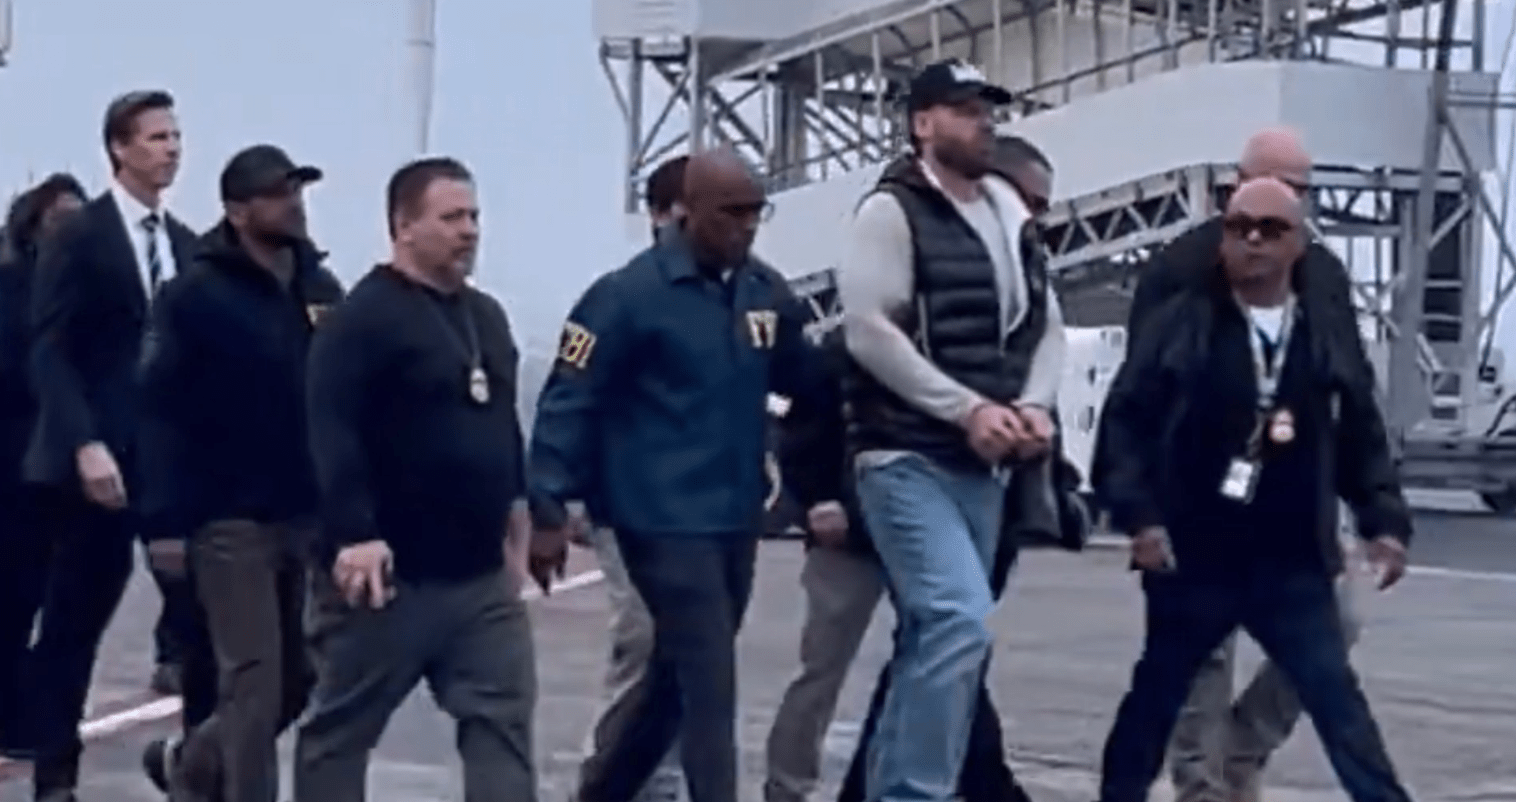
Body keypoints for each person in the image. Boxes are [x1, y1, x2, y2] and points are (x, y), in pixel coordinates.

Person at [1092, 177, 1414, 802]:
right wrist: (1140, 519)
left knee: (1337, 702)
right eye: (1239, 228)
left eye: (1272, 229)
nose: (1254, 241)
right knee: (1155, 699)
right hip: (1195, 554)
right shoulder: (1183, 322)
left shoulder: (1322, 328)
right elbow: (1126, 422)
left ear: (1299, 243)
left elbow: (1360, 432)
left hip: (1290, 560)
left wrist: (1384, 521)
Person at [530, 148, 818, 802]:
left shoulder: (763, 293)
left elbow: (806, 383)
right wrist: (548, 504)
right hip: (656, 518)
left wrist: (812, 466)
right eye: (733, 213)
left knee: (671, 683)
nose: (747, 226)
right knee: (711, 677)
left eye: (757, 212)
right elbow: (570, 398)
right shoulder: (627, 297)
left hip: (733, 516)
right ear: (690, 212)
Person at [837, 59, 1066, 802]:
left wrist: (1034, 405)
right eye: (965, 110)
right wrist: (964, 407)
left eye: (987, 109)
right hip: (904, 455)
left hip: (984, 468)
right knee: (957, 620)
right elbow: (869, 331)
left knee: (935, 638)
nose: (983, 123)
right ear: (922, 122)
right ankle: (915, 792)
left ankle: (892, 790)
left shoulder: (1009, 214)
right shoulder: (891, 212)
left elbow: (1046, 325)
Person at [293, 157, 536, 802]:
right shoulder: (360, 320)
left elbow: (501, 425)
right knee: (340, 733)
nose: (469, 231)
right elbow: (332, 433)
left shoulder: (486, 318)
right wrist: (354, 533)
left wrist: (520, 519)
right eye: (451, 218)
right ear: (403, 226)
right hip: (388, 578)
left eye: (474, 216)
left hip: (478, 579)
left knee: (503, 723)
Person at [135, 144, 340, 802]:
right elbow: (158, 412)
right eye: (278, 194)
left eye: (297, 191)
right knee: (252, 679)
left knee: (298, 679)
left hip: (302, 511)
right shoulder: (195, 295)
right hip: (226, 516)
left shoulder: (318, 288)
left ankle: (190, 765)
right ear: (238, 210)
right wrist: (162, 522)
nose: (294, 205)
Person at [23, 89, 197, 802]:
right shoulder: (82, 236)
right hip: (93, 461)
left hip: (167, 464)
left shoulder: (185, 245)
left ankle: (197, 763)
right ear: (120, 149)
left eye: (175, 137)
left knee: (201, 617)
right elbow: (51, 349)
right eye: (156, 137)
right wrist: (83, 442)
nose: (171, 149)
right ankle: (54, 775)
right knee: (75, 622)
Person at [577, 153, 690, 802]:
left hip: (702, 515)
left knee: (687, 652)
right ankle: (612, 780)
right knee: (644, 639)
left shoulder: (742, 297)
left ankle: (658, 784)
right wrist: (556, 491)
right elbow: (575, 396)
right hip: (629, 507)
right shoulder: (620, 298)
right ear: (660, 215)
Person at [0, 174, 87, 758]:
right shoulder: (12, 289)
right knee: (14, 598)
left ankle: (36, 716)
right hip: (15, 468)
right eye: (59, 221)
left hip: (69, 472)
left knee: (61, 605)